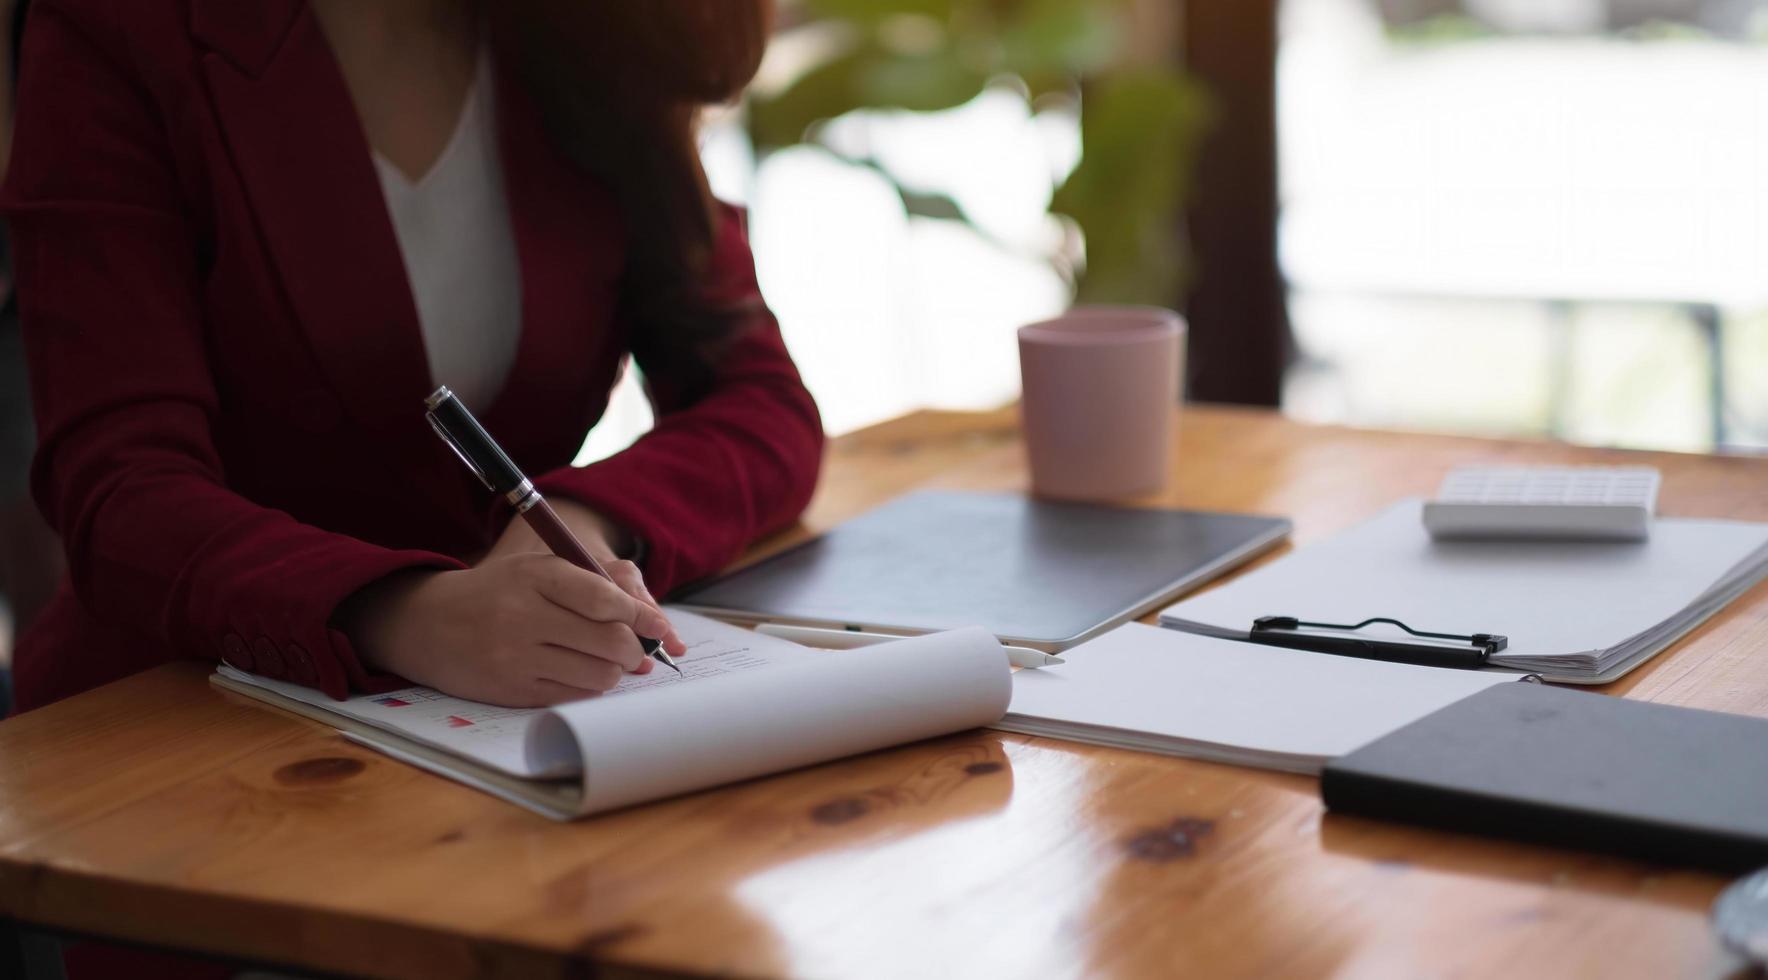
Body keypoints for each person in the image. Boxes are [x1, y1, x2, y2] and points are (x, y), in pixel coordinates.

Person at [2, 0, 822, 719]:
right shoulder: (115, 25)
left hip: (517, 725)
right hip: (168, 734)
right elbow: (120, 493)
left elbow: (759, 399)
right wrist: (402, 612)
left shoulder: (591, 28)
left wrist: (575, 523)